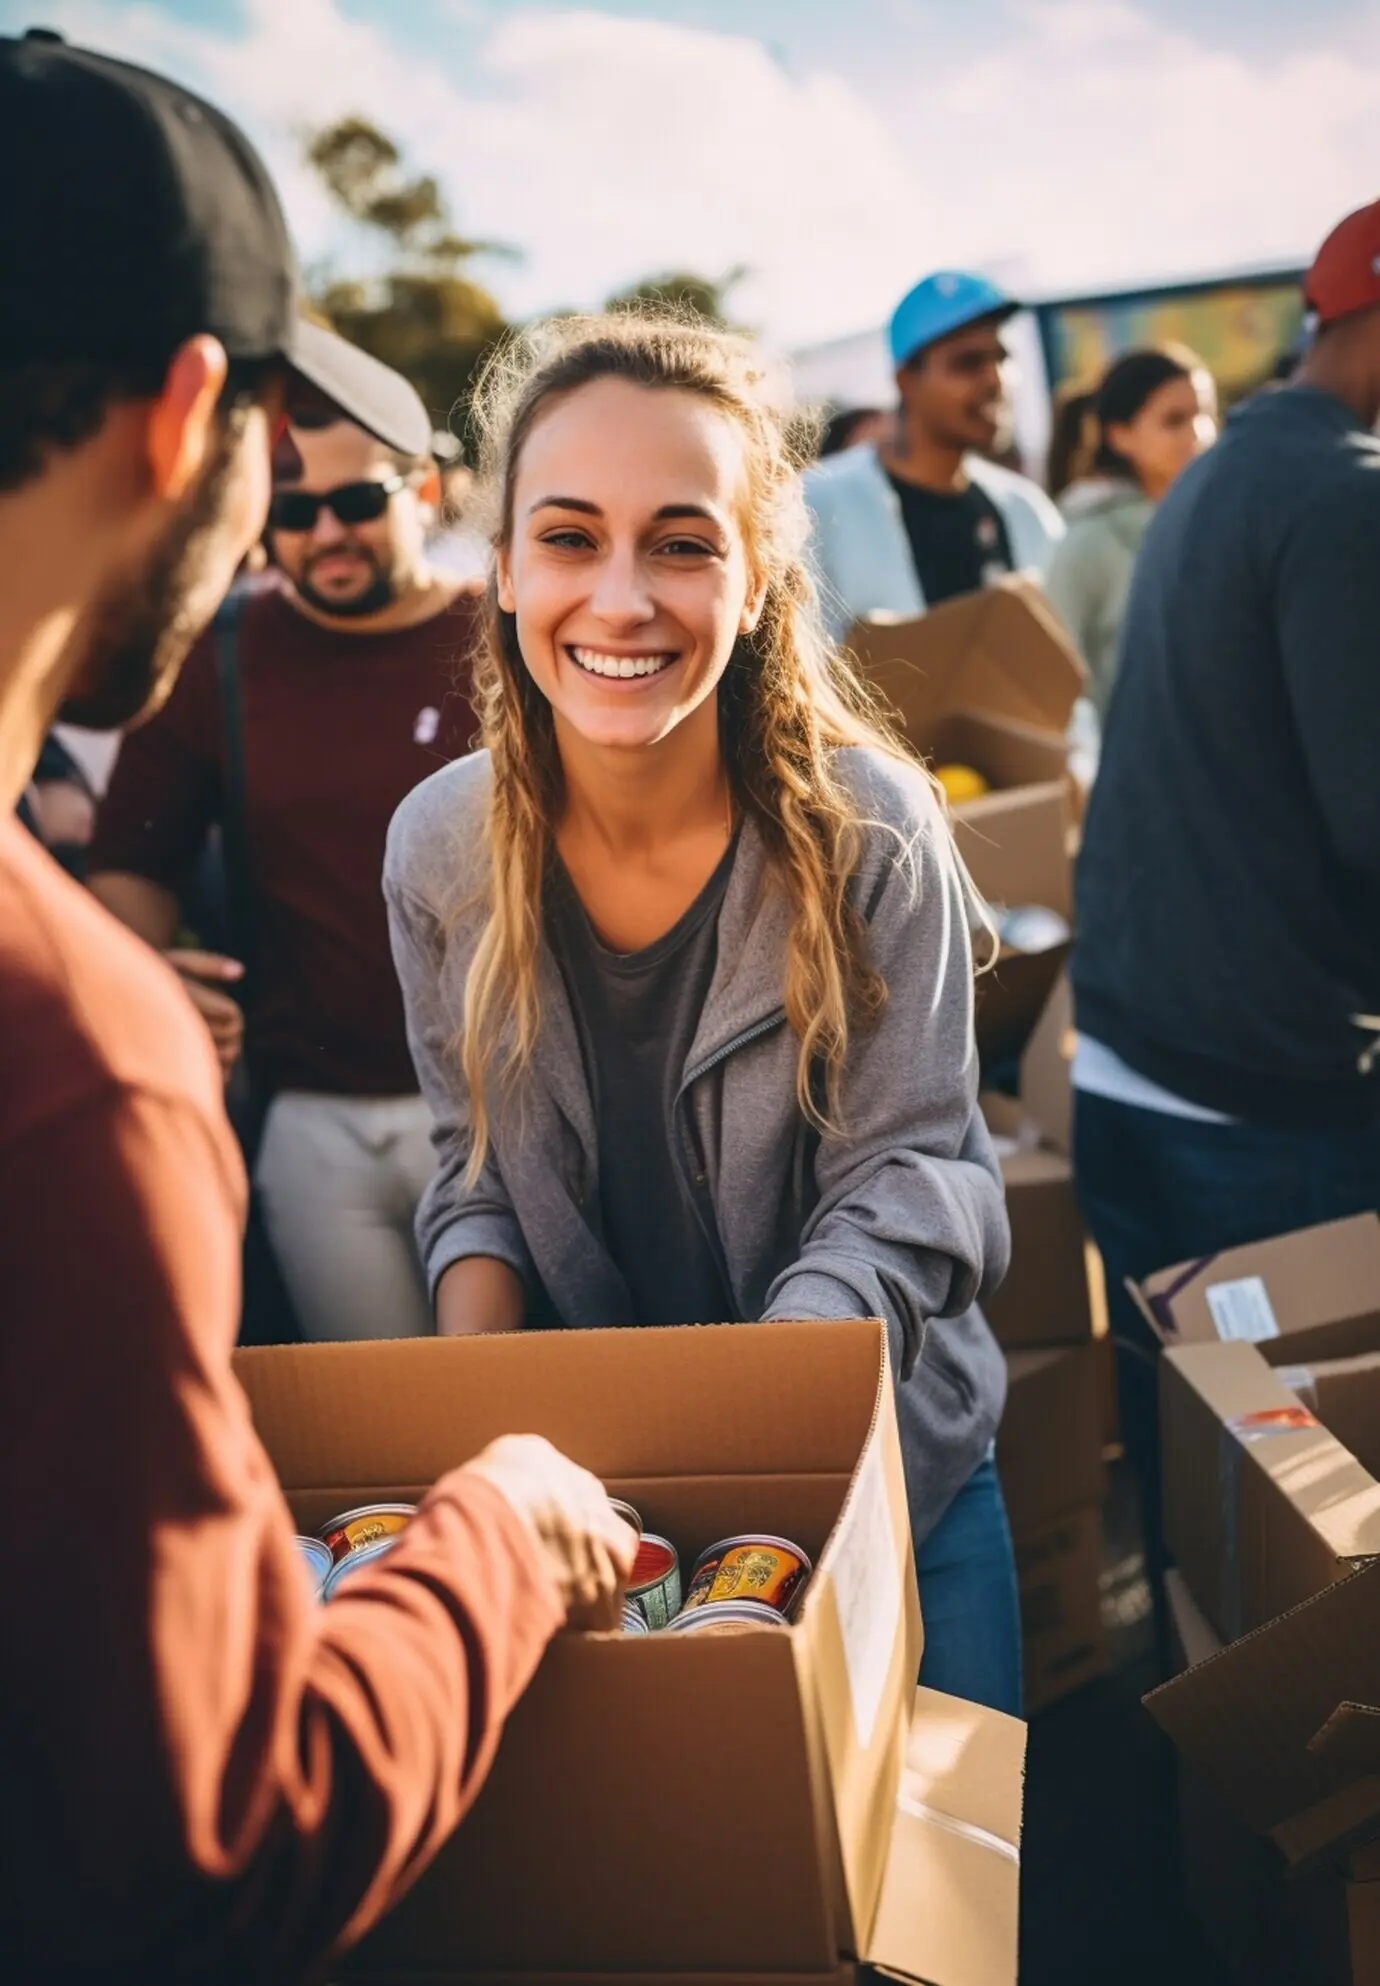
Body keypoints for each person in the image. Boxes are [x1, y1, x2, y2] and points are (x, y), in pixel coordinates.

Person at [0, 31, 634, 1981]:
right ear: (195, 415)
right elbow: (215, 1852)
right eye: (285, 485)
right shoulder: (75, 1065)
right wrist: (501, 1538)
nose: (312, 535)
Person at [383, 310, 1021, 1714]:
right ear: (503, 567)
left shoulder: (873, 833)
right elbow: (473, 1174)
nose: (621, 599)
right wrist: (479, 1440)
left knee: (952, 1865)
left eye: (681, 543)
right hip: (615, 1518)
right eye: (569, 537)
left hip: (890, 1477)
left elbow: (909, 1187)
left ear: (758, 575)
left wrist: (755, 1442)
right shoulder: (437, 850)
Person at [1070, 199, 1380, 1662]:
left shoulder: (1220, 475)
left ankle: (1189, 1746)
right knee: (1307, 1554)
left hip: (1131, 1063)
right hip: (1255, 1106)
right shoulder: (1343, 496)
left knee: (1196, 1505)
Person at [89, 389, 481, 1344]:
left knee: (532, 1401)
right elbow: (132, 862)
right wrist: (153, 983)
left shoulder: (500, 636)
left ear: (425, 490)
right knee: (377, 1420)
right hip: (315, 1126)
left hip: (501, 1108)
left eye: (357, 501)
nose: (326, 534)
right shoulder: (218, 654)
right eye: (294, 510)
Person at [804, 272, 1064, 640]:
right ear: (906, 381)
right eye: (968, 363)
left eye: (1002, 358)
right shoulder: (817, 503)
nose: (996, 380)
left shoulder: (1026, 510)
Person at [1045, 347, 1217, 721]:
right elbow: (1055, 679)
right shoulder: (1087, 542)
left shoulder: (1223, 521)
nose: (1198, 433)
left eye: (1204, 413)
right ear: (1120, 435)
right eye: (1174, 420)